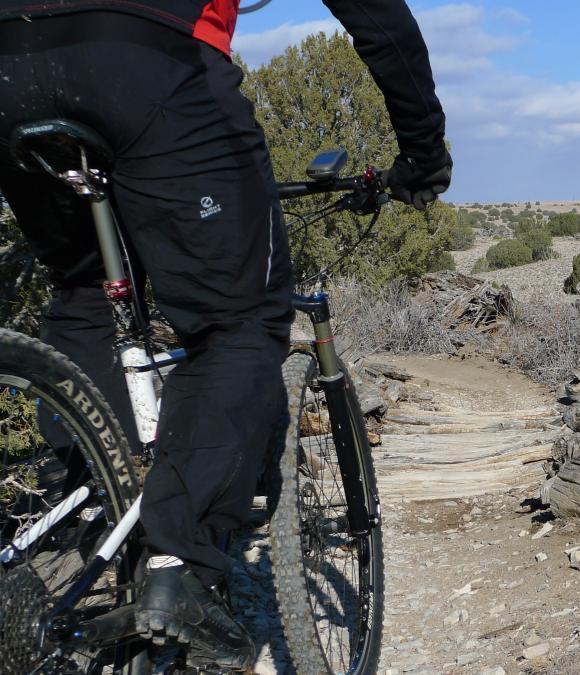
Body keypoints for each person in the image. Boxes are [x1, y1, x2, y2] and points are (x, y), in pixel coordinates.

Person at [0, 0, 451, 669]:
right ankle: (177, 565)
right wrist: (421, 153)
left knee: (88, 294)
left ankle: (91, 525)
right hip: (149, 55)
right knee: (238, 318)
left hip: (11, 60)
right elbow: (376, 14)